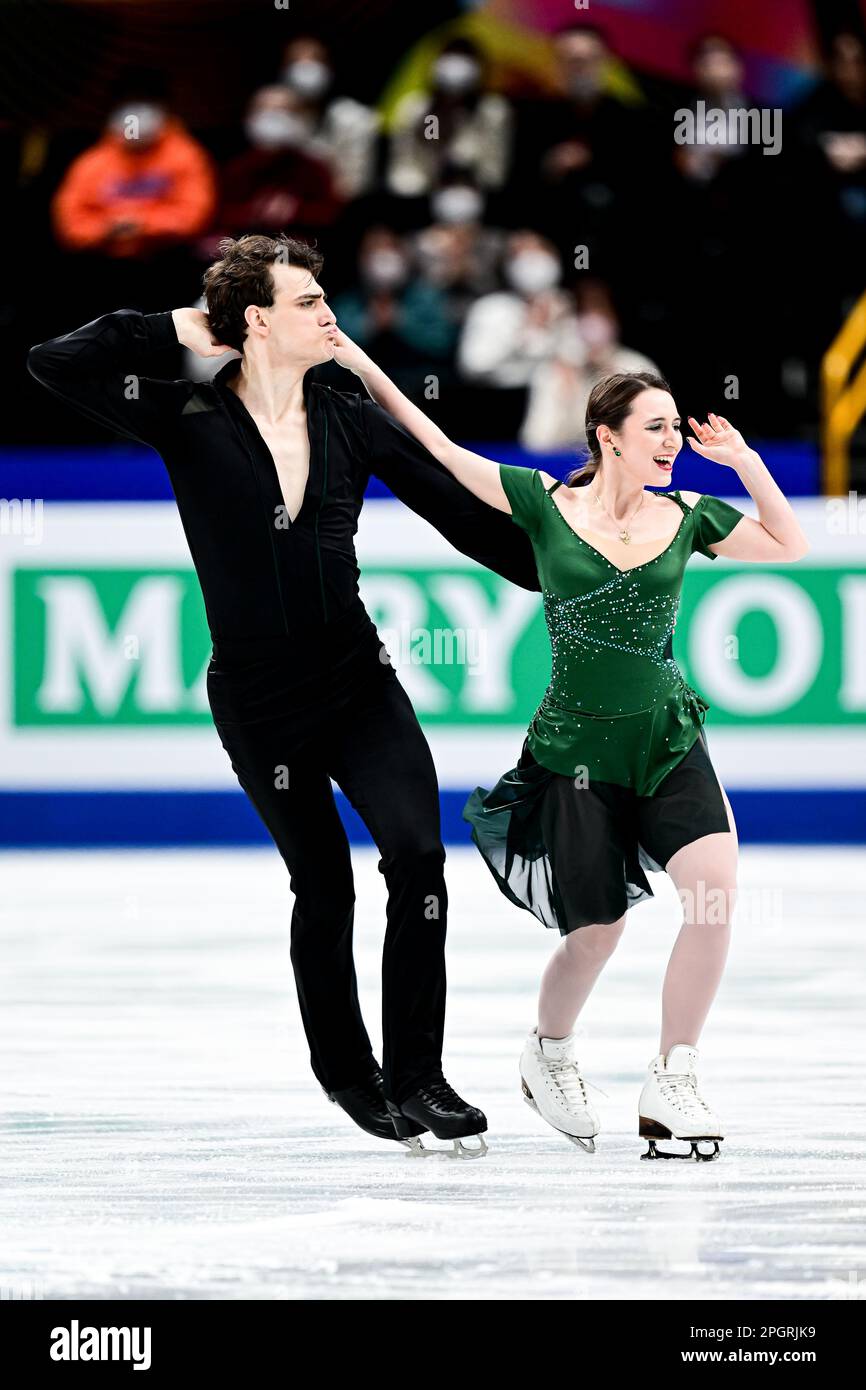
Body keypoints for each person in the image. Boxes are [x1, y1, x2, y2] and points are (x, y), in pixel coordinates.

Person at [26, 233, 541, 1160]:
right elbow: (55, 362)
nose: (328, 315)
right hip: (260, 703)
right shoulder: (184, 415)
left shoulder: (352, 417)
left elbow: (460, 516)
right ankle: (350, 1075)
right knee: (325, 881)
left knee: (419, 859)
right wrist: (186, 324)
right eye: (306, 302)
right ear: (257, 319)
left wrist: (572, 570)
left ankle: (418, 1074)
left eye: (325, 298)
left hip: (357, 681)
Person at [327, 344, 809, 1161]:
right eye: (655, 428)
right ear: (607, 435)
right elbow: (438, 448)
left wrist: (747, 462)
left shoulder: (690, 513)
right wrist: (359, 362)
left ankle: (674, 1075)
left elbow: (788, 544)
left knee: (714, 893)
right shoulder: (544, 504)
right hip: (575, 750)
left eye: (673, 430)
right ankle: (548, 1051)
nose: (670, 442)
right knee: (597, 932)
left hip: (666, 738)